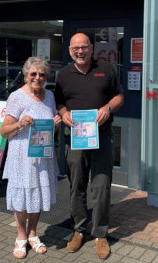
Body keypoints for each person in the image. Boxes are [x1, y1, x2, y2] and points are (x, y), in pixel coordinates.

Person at [55, 33, 124, 259]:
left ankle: (100, 233)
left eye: (84, 47)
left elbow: (119, 96)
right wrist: (63, 113)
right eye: (76, 48)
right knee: (77, 184)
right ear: (70, 51)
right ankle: (79, 230)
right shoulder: (63, 75)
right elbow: (59, 102)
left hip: (102, 135)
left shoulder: (106, 69)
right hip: (75, 136)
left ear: (91, 48)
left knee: (102, 184)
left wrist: (108, 109)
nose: (80, 51)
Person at [0, 57, 61, 259]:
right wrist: (19, 124)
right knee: (21, 198)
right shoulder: (16, 97)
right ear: (26, 75)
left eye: (42, 74)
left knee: (38, 195)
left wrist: (56, 124)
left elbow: (49, 126)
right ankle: (20, 237)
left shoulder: (50, 96)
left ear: (46, 77)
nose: (37, 78)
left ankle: (33, 234)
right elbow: (4, 131)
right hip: (21, 158)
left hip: (42, 156)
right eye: (33, 73)